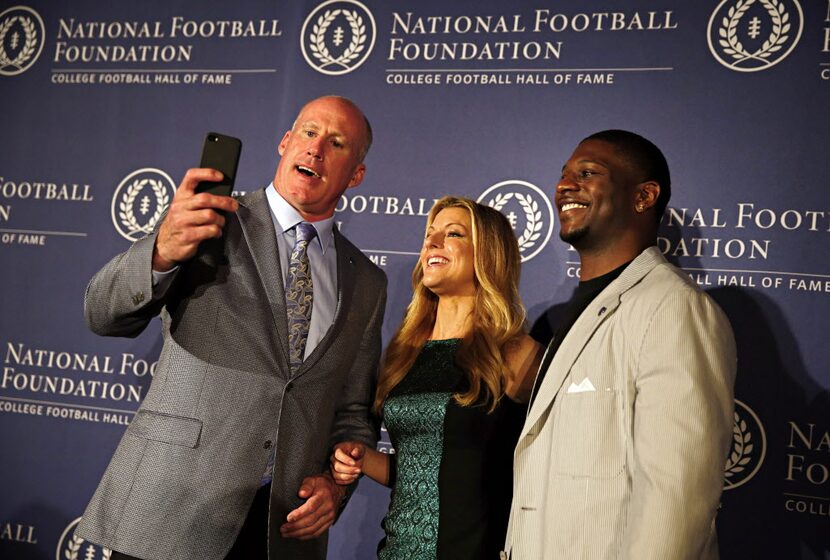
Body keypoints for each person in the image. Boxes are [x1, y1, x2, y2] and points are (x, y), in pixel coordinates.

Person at [75, 96, 387, 560]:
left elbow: (353, 411)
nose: (316, 148)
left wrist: (334, 487)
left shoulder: (366, 281)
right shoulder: (211, 218)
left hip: (278, 529)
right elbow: (102, 314)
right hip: (171, 511)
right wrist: (161, 251)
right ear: (285, 143)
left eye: (337, 142)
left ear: (356, 175)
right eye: (308, 132)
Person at [503, 130, 737, 559]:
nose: (563, 186)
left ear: (644, 196)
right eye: (563, 175)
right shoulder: (569, 312)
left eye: (587, 173)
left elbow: (676, 502)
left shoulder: (675, 309)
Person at [331, 196, 542, 559]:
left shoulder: (515, 352)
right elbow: (423, 469)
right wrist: (363, 458)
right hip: (397, 550)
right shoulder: (405, 351)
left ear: (488, 255)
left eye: (453, 233)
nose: (432, 242)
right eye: (430, 234)